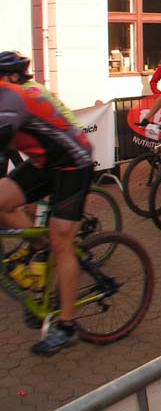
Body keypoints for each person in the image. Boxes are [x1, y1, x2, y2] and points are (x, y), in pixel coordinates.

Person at [0, 65, 93, 355]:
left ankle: (67, 326)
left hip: (72, 163)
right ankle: (41, 249)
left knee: (61, 241)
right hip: (43, 163)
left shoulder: (11, 99)